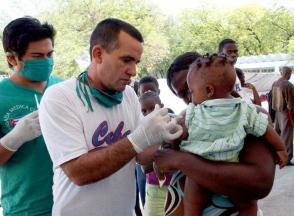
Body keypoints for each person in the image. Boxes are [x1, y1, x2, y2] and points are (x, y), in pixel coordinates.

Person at [39, 18, 182, 216]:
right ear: (98, 54)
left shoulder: (129, 95)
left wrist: (169, 136)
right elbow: (78, 172)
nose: (133, 71)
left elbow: (141, 157)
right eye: (126, 60)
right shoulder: (60, 97)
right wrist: (139, 138)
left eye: (136, 62)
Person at [155, 51, 277, 216]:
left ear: (210, 85)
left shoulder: (248, 117)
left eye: (190, 88)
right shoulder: (187, 120)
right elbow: (149, 159)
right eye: (183, 93)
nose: (189, 98)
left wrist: (180, 160)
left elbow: (260, 181)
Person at [0, 17, 62, 215]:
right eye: (36, 56)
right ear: (12, 59)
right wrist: (13, 139)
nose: (46, 61)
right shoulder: (2, 96)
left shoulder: (62, 88)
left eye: (49, 54)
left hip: (70, 202)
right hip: (26, 209)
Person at [139, 91, 173, 216]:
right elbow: (146, 168)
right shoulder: (143, 133)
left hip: (174, 186)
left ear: (162, 106)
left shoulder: (173, 125)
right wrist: (163, 147)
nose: (149, 113)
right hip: (154, 189)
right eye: (144, 111)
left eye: (152, 108)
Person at [271, 66, 294, 165]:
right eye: (290, 73)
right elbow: (291, 103)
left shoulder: (275, 83)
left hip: (277, 112)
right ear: (288, 73)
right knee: (287, 136)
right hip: (286, 113)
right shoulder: (288, 85)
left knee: (278, 134)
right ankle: (287, 159)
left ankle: (276, 157)